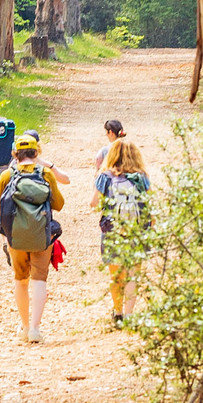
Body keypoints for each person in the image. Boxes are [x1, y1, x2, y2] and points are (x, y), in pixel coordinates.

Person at [0, 132, 65, 344]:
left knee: (20, 280)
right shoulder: (45, 174)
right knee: (39, 280)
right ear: (36, 153)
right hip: (41, 236)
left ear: (15, 154)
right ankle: (35, 329)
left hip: (15, 237)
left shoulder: (8, 175)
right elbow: (59, 204)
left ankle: (24, 326)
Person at [91, 118, 150, 325]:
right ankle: (130, 315)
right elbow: (149, 203)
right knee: (133, 272)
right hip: (136, 230)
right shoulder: (141, 177)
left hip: (112, 230)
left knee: (116, 273)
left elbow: (94, 202)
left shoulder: (105, 176)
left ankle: (117, 313)